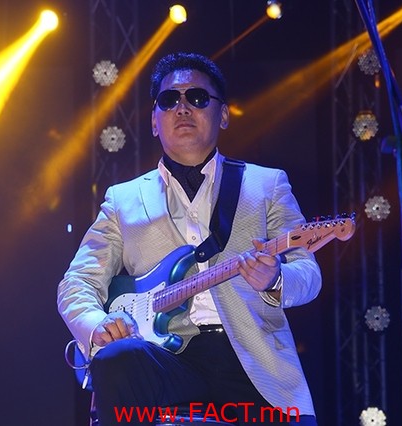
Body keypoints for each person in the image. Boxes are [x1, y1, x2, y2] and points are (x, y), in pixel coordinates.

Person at [58, 52, 322, 425]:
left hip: (252, 361)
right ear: (154, 121)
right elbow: (78, 281)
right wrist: (95, 324)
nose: (182, 108)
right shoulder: (123, 199)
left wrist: (276, 279)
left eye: (197, 97)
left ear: (223, 114)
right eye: (169, 100)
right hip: (165, 359)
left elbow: (308, 272)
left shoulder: (267, 184)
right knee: (116, 358)